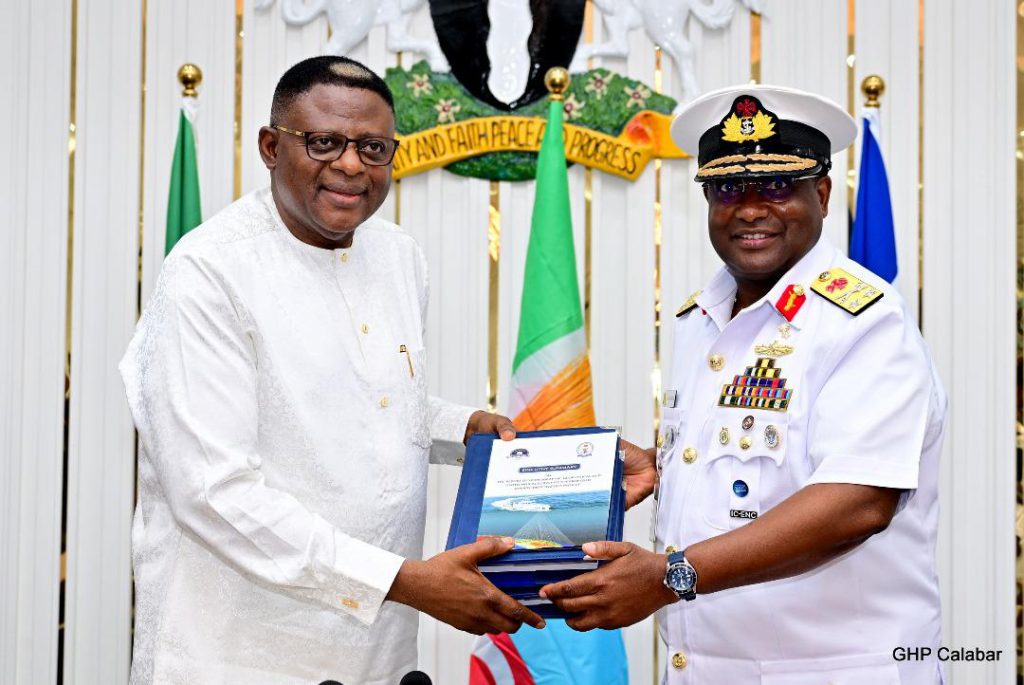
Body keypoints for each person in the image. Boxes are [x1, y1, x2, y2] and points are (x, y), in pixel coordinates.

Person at [120, 55, 544, 685]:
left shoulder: (399, 256)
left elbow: (360, 402)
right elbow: (213, 491)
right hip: (237, 656)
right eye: (323, 142)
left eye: (373, 148)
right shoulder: (208, 272)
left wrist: (466, 430)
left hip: (380, 653)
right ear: (271, 147)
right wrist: (405, 581)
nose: (350, 165)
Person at [540, 84, 947, 684]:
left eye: (777, 186)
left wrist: (670, 576)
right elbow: (761, 451)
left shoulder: (865, 322)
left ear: (822, 195)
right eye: (728, 189)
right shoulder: (701, 318)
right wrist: (665, 465)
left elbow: (858, 502)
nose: (751, 209)